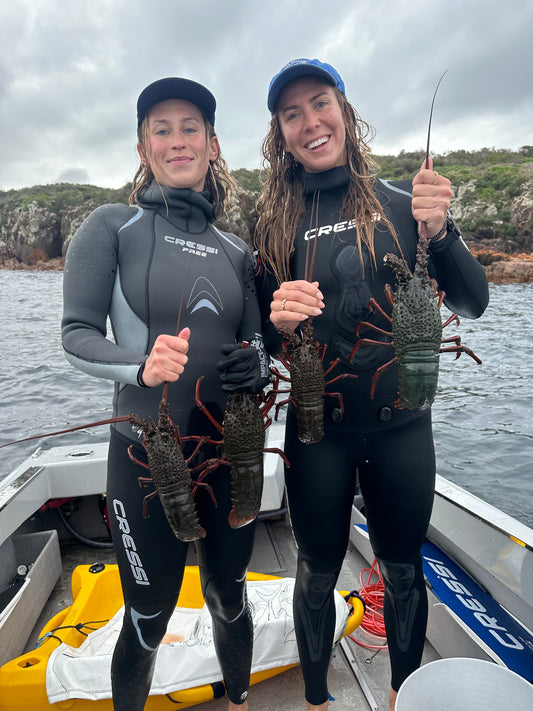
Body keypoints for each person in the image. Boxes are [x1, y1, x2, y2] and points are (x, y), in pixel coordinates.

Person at [253, 58, 489, 711]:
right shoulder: (270, 223)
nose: (309, 122)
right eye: (291, 112)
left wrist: (441, 232)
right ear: (281, 131)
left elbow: (470, 302)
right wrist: (272, 321)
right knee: (315, 570)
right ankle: (316, 699)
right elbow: (256, 340)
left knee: (404, 569)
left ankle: (399, 694)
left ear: (344, 111)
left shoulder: (398, 202)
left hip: (401, 430)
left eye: (319, 103)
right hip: (316, 433)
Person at [62, 77, 269, 710]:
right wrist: (139, 365)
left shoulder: (237, 250)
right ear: (142, 146)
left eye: (190, 128)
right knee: (148, 619)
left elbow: (256, 343)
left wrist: (254, 364)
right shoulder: (112, 226)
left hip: (229, 456)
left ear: (212, 144)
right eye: (162, 128)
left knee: (229, 598)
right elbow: (75, 337)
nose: (177, 140)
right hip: (142, 454)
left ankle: (238, 699)